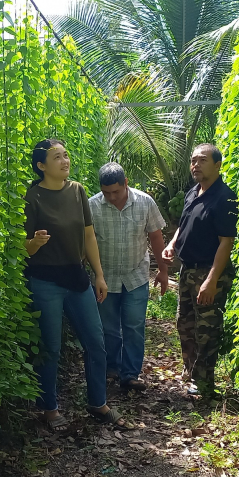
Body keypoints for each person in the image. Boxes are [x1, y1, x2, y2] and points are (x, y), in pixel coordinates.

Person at [24, 139, 129, 431]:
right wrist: (34, 242)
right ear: (41, 166)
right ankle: (49, 408)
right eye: (57, 157)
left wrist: (99, 274)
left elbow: (89, 236)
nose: (65, 161)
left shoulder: (77, 190)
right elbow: (25, 249)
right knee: (51, 347)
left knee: (96, 343)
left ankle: (98, 403)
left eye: (66, 155)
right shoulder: (32, 197)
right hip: (45, 281)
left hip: (76, 278)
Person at [162, 144, 238, 401]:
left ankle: (204, 384)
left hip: (209, 272)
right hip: (188, 270)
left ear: (217, 165)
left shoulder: (225, 198)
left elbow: (226, 242)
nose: (195, 165)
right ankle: (192, 372)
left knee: (206, 329)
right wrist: (172, 245)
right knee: (185, 324)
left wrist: (212, 280)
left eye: (202, 160)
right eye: (193, 160)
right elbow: (183, 226)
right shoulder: (192, 193)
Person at [89, 163, 168, 392]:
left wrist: (163, 271)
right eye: (107, 193)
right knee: (108, 327)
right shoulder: (93, 206)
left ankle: (130, 374)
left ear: (126, 183)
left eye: (116, 191)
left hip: (136, 275)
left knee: (134, 325)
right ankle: (111, 369)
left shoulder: (145, 202)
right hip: (106, 277)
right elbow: (88, 241)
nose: (112, 197)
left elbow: (155, 237)